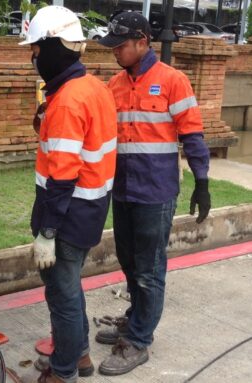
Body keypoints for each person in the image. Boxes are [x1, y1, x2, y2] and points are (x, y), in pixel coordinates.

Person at [96, 11, 211, 376]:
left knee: (149, 269)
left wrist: (202, 182)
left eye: (121, 45)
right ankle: (135, 319)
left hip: (155, 193)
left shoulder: (173, 81)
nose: (115, 51)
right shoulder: (113, 85)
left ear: (143, 42)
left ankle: (139, 340)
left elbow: (192, 134)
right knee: (130, 263)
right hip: (123, 190)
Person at [20, 6, 118, 383]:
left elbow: (61, 177)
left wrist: (47, 233)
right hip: (90, 208)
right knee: (70, 288)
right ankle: (78, 356)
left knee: (61, 296)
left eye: (37, 49)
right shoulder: (93, 87)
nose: (33, 57)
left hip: (66, 214)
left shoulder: (68, 101)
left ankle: (63, 373)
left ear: (55, 46)